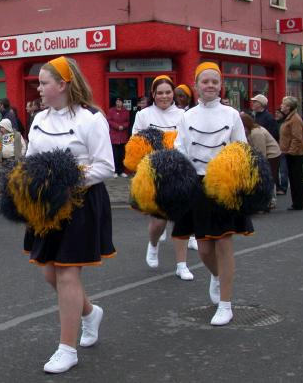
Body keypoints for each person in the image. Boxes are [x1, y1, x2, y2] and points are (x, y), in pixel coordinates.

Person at [26, 56, 115, 374]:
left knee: (66, 274)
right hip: (47, 205)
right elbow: (31, 160)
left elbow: (106, 166)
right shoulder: (38, 119)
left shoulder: (91, 118)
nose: (38, 87)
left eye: (43, 82)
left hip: (80, 204)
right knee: (51, 273)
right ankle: (89, 313)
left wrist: (66, 181)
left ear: (62, 85)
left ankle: (67, 348)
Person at [174, 62, 253, 326]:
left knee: (224, 244)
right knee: (205, 248)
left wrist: (237, 178)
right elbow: (181, 149)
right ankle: (217, 277)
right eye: (205, 81)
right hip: (197, 185)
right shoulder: (186, 116)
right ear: (196, 86)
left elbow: (241, 148)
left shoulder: (231, 115)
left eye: (214, 82)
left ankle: (226, 304)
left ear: (221, 86)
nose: (210, 86)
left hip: (224, 184)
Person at [131, 75, 196, 278]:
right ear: (153, 94)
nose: (164, 96)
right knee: (158, 222)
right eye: (160, 93)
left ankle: (181, 265)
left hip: (179, 171)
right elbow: (136, 142)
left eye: (168, 92)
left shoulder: (184, 115)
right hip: (154, 172)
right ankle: (153, 244)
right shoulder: (143, 115)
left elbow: (189, 142)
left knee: (183, 218)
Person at [240, 112, 281, 210]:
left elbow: (261, 152)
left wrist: (259, 166)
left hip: (272, 156)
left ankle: (270, 201)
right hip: (267, 155)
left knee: (268, 178)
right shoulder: (250, 131)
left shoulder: (256, 133)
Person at [279, 96, 303, 211]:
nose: (281, 105)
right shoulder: (289, 118)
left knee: (296, 179)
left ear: (288, 107)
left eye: (283, 104)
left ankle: (299, 203)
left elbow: (297, 138)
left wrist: (291, 152)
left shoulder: (295, 119)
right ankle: (298, 202)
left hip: (295, 154)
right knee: (294, 179)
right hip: (290, 153)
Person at [0, 118, 26, 183]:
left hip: (13, 160)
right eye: (0, 127)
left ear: (7, 127)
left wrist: (20, 155)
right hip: (2, 161)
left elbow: (23, 146)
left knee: (14, 177)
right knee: (3, 177)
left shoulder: (17, 135)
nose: (1, 129)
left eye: (2, 127)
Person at [107, 97, 129, 177]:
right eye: (117, 101)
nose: (118, 103)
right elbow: (109, 120)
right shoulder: (111, 111)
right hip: (114, 136)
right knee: (115, 155)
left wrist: (123, 126)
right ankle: (115, 171)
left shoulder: (125, 111)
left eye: (120, 101)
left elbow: (128, 121)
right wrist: (117, 126)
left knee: (122, 155)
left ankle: (121, 171)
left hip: (123, 136)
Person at [274, 109, 288, 195]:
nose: (276, 114)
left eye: (278, 113)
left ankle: (283, 188)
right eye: (275, 112)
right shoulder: (275, 123)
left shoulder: (285, 123)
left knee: (283, 170)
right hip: (276, 149)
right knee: (275, 170)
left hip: (283, 149)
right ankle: (278, 187)